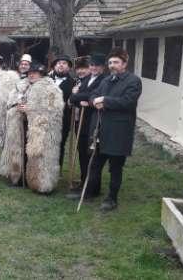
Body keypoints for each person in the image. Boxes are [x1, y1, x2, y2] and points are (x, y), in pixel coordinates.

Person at [73, 48, 142, 211]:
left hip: (119, 131)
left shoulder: (133, 81)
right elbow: (92, 95)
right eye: (110, 62)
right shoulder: (106, 80)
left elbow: (128, 102)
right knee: (94, 164)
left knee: (115, 168)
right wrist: (93, 101)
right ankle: (89, 191)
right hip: (100, 130)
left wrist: (105, 100)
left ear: (124, 64)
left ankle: (112, 199)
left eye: (116, 62)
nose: (112, 65)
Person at [0, 62, 64, 193]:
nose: (32, 75)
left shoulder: (51, 88)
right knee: (19, 151)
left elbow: (54, 110)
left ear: (42, 74)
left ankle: (40, 184)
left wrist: (31, 110)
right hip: (20, 125)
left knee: (38, 156)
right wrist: (16, 107)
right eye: (30, 73)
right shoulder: (21, 86)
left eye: (35, 73)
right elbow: (10, 104)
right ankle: (18, 177)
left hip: (40, 129)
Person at [68, 53, 107, 196]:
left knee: (92, 155)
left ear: (102, 67)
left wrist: (79, 97)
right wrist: (78, 97)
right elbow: (74, 97)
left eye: (97, 66)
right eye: (92, 65)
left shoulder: (104, 80)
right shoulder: (87, 79)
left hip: (93, 122)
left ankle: (92, 188)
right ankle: (84, 182)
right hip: (82, 122)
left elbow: (90, 96)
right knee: (82, 154)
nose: (94, 68)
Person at [49, 55, 75, 168]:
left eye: (64, 63)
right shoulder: (46, 80)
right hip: (45, 118)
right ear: (54, 66)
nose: (61, 65)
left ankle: (56, 169)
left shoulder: (73, 83)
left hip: (63, 119)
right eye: (58, 63)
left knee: (59, 144)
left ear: (69, 68)